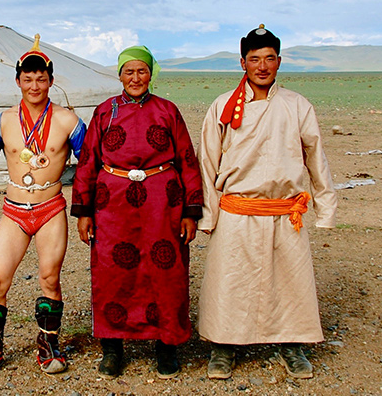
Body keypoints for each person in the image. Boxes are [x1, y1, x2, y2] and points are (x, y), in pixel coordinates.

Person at [197, 24, 338, 380]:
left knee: (289, 281)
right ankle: (223, 347)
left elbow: (315, 156)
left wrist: (326, 208)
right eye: (255, 59)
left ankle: (292, 345)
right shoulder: (222, 107)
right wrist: (208, 215)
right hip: (237, 210)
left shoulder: (297, 105)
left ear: (279, 61)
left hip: (282, 209)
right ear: (242, 62)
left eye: (269, 59)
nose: (262, 66)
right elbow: (207, 162)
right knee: (229, 280)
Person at [71, 46, 203, 380]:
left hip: (163, 203)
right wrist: (84, 211)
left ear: (151, 74)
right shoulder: (105, 113)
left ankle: (167, 346)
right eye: (128, 72)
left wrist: (191, 211)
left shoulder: (168, 111)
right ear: (119, 75)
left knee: (166, 271)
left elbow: (187, 159)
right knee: (113, 273)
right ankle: (113, 347)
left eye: (141, 71)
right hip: (112, 204)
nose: (135, 78)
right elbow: (87, 162)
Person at [0, 35, 86, 376]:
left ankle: (49, 344)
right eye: (28, 78)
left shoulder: (68, 121)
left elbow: (91, 163)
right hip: (14, 210)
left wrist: (87, 210)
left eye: (42, 78)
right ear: (18, 80)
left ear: (50, 81)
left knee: (50, 277)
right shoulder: (2, 122)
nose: (35, 85)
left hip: (50, 208)